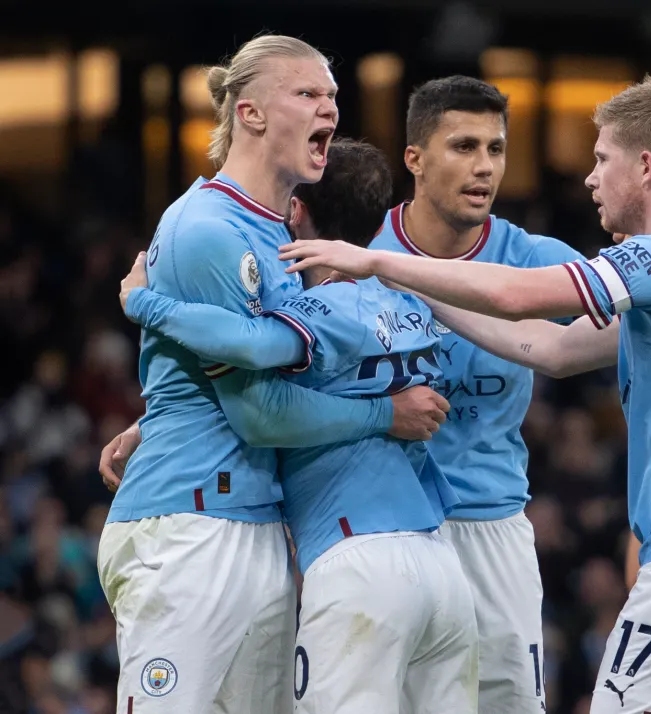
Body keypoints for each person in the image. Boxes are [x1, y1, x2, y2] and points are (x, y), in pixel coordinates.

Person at [279, 75, 651, 714]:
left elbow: (515, 296)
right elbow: (552, 349)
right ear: (415, 159)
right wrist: (422, 292)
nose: (588, 178)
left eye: (601, 160)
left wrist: (377, 264)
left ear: (645, 168)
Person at [96, 38, 448, 714]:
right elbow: (257, 414)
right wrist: (385, 415)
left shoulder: (279, 239)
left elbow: (267, 354)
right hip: (189, 524)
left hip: (256, 523)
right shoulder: (207, 228)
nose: (330, 110)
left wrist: (148, 418)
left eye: (334, 98)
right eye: (309, 95)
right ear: (251, 113)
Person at [364, 75, 584, 713]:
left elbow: (648, 319)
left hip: (492, 527)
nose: (484, 166)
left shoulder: (534, 260)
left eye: (496, 148)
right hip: (381, 526)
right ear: (414, 158)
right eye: (463, 146)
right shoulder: (357, 249)